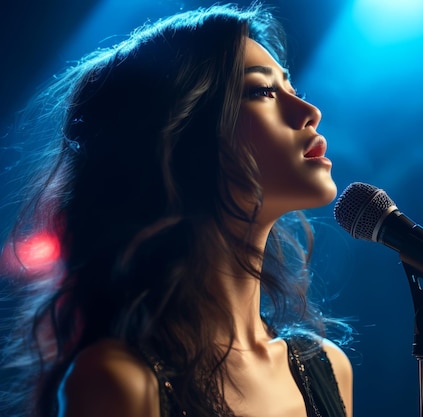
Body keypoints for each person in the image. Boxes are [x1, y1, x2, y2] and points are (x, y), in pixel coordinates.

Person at [1, 3, 353, 417]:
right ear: (180, 137)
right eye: (262, 91)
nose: (309, 113)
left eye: (292, 89)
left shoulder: (326, 369)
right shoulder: (117, 384)